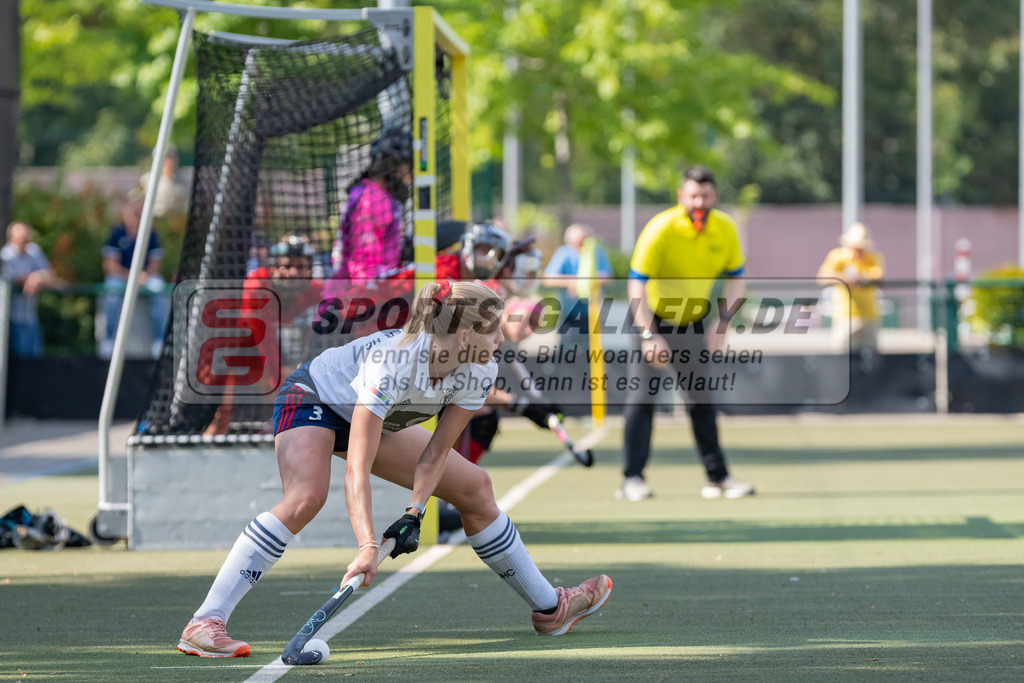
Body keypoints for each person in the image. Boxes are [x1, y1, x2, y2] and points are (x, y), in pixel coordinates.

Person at [177, 280, 613, 658]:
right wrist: (367, 544)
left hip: (378, 418)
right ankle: (205, 622)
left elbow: (436, 453)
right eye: (494, 327)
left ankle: (550, 609)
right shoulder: (394, 362)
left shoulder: (480, 368)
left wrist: (415, 511)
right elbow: (357, 468)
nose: (502, 336)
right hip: (315, 397)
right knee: (306, 497)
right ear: (463, 335)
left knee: (475, 489)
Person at [620, 165, 755, 502]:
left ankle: (718, 478)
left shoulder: (725, 229)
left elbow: (737, 277)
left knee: (701, 401)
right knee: (642, 399)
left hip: (694, 322)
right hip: (653, 320)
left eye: (705, 195)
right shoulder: (661, 228)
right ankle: (632, 479)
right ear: (681, 196)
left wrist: (722, 323)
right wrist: (649, 335)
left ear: (715, 197)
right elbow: (636, 282)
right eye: (693, 195)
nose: (699, 201)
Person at [331, 128, 413, 281]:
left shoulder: (372, 193)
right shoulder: (374, 199)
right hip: (360, 296)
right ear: (396, 167)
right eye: (408, 169)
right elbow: (364, 266)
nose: (410, 178)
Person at [100, 198, 169, 359]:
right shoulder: (116, 234)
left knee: (159, 287)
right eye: (133, 213)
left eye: (139, 213)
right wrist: (131, 276)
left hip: (145, 279)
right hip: (121, 278)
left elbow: (155, 264)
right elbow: (110, 266)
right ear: (125, 214)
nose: (136, 217)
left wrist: (144, 276)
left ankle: (160, 341)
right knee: (111, 288)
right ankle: (108, 341)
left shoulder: (151, 235)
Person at [816, 222, 885, 355]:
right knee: (842, 357)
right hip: (845, 316)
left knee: (871, 357)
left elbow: (878, 276)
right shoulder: (837, 257)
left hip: (869, 315)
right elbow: (822, 278)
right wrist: (844, 278)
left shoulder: (874, 258)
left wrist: (861, 277)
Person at [542, 223, 613, 350]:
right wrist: (571, 282)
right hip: (569, 313)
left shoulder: (596, 251)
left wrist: (587, 281)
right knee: (566, 352)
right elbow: (548, 278)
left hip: (593, 313)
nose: (582, 244)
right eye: (579, 241)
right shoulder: (564, 253)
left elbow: (607, 276)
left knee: (592, 352)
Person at [1, 221, 59, 357]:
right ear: (12, 238)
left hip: (31, 318)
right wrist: (33, 277)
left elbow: (50, 275)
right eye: (21, 240)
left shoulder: (33, 250)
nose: (25, 243)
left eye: (27, 239)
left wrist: (36, 277)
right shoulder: (5, 255)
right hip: (9, 320)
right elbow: (16, 278)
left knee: (34, 362)